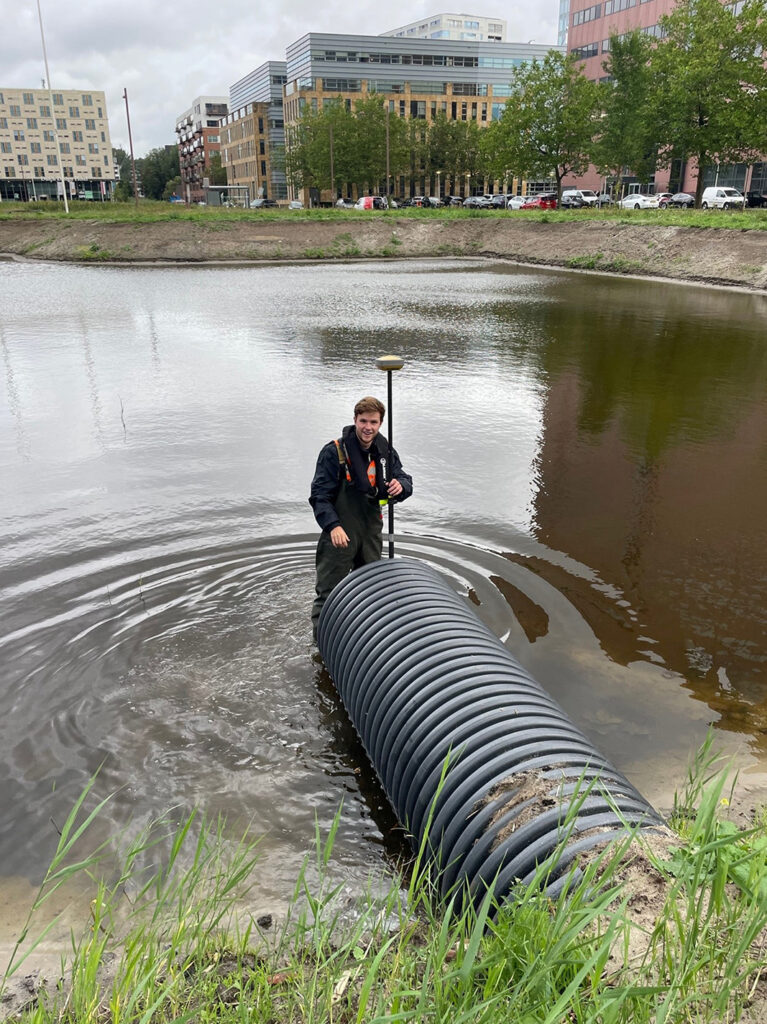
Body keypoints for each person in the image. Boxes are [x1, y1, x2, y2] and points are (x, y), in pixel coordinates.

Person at [309, 396, 413, 640]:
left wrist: (403, 486)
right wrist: (333, 526)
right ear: (355, 420)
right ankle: (321, 646)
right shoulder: (333, 452)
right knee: (329, 594)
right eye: (363, 421)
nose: (368, 427)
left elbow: (403, 477)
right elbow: (319, 496)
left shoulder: (385, 451)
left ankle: (363, 642)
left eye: (374, 422)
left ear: (380, 424)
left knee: (370, 590)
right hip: (340, 534)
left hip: (370, 533)